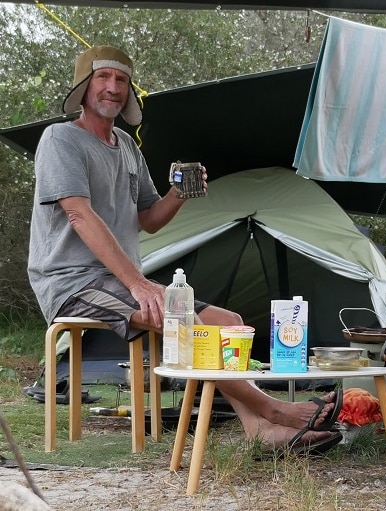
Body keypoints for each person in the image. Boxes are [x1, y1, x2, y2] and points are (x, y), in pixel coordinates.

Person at [27, 45, 342, 454]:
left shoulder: (126, 146)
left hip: (119, 281)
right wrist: (140, 284)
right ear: (84, 88)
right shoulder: (61, 139)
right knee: (188, 326)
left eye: (121, 80)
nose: (112, 88)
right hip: (72, 281)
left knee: (228, 321)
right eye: (103, 78)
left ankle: (259, 430)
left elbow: (150, 219)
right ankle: (278, 412)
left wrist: (179, 193)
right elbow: (79, 216)